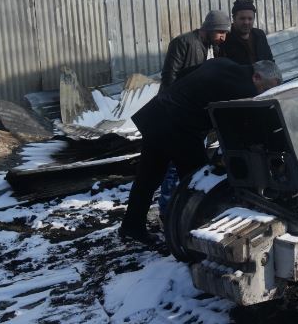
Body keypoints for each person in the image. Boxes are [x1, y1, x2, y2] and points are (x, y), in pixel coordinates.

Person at [119, 58, 282, 243]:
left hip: (156, 115)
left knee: (148, 178)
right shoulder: (243, 87)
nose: (261, 94)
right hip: (177, 127)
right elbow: (234, 128)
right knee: (200, 180)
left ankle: (132, 226)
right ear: (257, 76)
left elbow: (181, 74)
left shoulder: (222, 63)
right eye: (264, 89)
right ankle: (194, 232)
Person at [160, 10, 231, 88]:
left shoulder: (215, 46)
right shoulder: (182, 42)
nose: (223, 38)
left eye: (225, 33)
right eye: (221, 32)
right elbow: (169, 77)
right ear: (209, 28)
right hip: (180, 96)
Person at [223, 0, 275, 65]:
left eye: (250, 19)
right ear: (234, 18)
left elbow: (269, 61)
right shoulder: (225, 38)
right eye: (242, 18)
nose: (246, 22)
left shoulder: (259, 35)